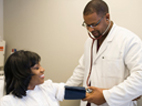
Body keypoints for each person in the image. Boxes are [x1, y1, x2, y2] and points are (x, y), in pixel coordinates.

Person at [66, 0, 142, 106]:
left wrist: (106, 96)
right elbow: (83, 69)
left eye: (94, 24)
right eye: (87, 25)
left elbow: (140, 77)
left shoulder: (129, 40)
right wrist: (64, 90)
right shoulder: (90, 42)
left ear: (107, 17)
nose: (90, 29)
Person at [0, 50, 86, 106]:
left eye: (40, 66)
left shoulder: (48, 87)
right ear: (22, 73)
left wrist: (98, 93)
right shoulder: (8, 102)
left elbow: (83, 93)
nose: (43, 70)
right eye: (37, 68)